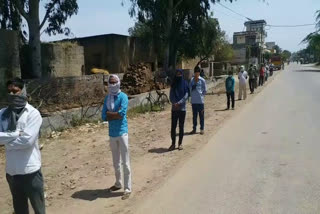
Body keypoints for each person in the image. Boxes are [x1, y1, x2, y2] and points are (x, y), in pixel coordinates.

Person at [0, 78, 46, 214]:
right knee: (19, 209)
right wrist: (16, 134)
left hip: (30, 171)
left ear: (23, 91)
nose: (12, 95)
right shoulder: (3, 114)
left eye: (15, 91)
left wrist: (6, 141)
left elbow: (27, 141)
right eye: (9, 92)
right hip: (12, 172)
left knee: (39, 209)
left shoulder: (32, 114)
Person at [102, 74, 132, 200]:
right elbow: (103, 116)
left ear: (119, 83)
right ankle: (118, 183)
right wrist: (113, 114)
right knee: (116, 162)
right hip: (112, 133)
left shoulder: (123, 97)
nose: (113, 84)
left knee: (125, 162)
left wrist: (111, 114)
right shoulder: (107, 98)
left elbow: (122, 114)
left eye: (115, 82)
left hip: (122, 132)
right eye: (111, 82)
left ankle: (127, 188)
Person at [168, 70, 189, 151]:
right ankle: (173, 144)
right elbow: (171, 95)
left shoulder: (185, 84)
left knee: (181, 126)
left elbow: (186, 95)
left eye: (180, 74)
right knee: (173, 127)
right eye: (177, 74)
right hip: (174, 109)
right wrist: (174, 103)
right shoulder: (173, 84)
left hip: (182, 109)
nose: (179, 75)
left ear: (182, 74)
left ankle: (180, 143)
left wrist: (179, 103)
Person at [190, 66, 207, 135]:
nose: (196, 73)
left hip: (200, 102)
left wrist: (201, 95)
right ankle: (194, 129)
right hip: (194, 101)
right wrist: (192, 88)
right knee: (194, 116)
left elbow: (205, 90)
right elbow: (189, 89)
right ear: (194, 73)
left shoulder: (202, 80)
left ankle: (202, 129)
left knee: (201, 116)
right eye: (195, 72)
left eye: (198, 72)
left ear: (199, 73)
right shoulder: (191, 80)